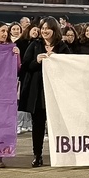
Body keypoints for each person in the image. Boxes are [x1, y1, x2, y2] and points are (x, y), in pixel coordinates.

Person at [19, 17, 67, 169]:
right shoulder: (35, 45)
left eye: (48, 28)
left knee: (57, 124)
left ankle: (59, 154)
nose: (44, 31)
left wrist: (58, 60)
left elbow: (69, 66)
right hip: (38, 92)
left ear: (55, 30)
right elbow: (25, 67)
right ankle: (37, 155)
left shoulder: (62, 47)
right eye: (43, 28)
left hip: (56, 92)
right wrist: (37, 61)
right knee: (38, 124)